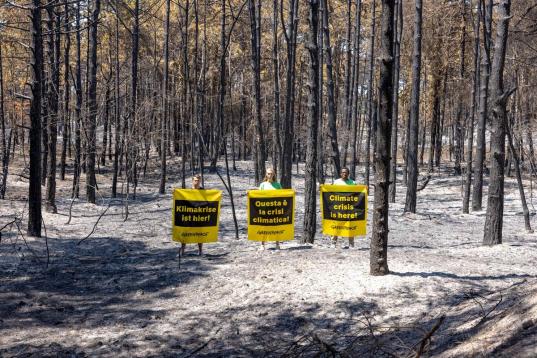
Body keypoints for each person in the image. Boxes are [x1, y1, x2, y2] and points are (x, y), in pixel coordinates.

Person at [181, 174, 204, 256]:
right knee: (185, 233)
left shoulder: (203, 191)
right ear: (192, 181)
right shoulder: (188, 191)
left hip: (199, 216)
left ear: (200, 181)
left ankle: (200, 251)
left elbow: (209, 199)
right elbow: (181, 199)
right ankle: (182, 251)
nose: (197, 182)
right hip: (189, 216)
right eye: (195, 180)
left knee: (199, 234)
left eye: (198, 180)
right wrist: (175, 193)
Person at [332, 167, 356, 248]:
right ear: (340, 173)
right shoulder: (336, 182)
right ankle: (333, 242)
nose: (344, 174)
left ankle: (351, 244)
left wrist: (365, 189)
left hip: (349, 208)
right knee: (336, 225)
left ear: (348, 174)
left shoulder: (353, 183)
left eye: (346, 172)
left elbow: (358, 193)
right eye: (342, 172)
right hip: (338, 208)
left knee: (350, 226)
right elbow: (330, 193)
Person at [259, 168, 282, 249]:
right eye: (268, 173)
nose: (270, 175)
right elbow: (258, 196)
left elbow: (283, 196)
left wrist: (292, 193)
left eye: (271, 173)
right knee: (264, 227)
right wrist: (249, 194)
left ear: (274, 174)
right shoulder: (262, 185)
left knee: (276, 227)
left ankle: (277, 244)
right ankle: (262, 245)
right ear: (266, 174)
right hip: (265, 210)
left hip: (275, 210)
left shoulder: (278, 185)